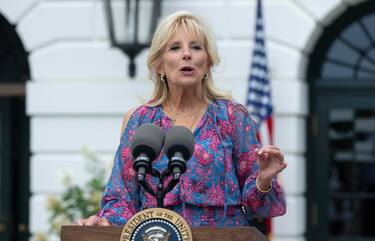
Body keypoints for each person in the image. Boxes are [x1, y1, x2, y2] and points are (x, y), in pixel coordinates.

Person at [77, 11, 286, 227]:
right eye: (175, 48)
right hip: (157, 239)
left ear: (208, 62)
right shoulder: (140, 119)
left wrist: (263, 180)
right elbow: (121, 197)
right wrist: (104, 222)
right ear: (159, 65)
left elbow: (258, 208)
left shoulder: (233, 117)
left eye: (196, 47)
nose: (187, 54)